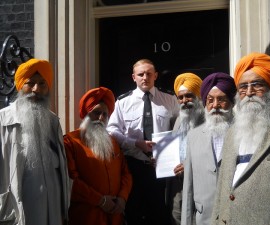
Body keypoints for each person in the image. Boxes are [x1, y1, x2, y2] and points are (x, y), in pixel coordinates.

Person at [212, 52, 270, 225]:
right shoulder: (233, 132)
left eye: (257, 85)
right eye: (243, 87)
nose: (249, 92)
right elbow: (222, 189)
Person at [107, 59, 179, 225]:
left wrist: (171, 156)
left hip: (162, 169)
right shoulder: (123, 102)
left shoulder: (169, 99)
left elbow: (180, 130)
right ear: (134, 77)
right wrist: (135, 143)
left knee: (160, 215)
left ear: (156, 75)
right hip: (133, 167)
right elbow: (112, 131)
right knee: (134, 214)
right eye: (140, 74)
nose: (145, 77)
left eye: (148, 73)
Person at [0, 58, 70, 225]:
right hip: (19, 210)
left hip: (53, 211)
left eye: (42, 84)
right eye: (30, 83)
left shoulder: (53, 122)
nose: (36, 89)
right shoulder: (3, 120)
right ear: (20, 86)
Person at [63, 86, 133, 225]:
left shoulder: (112, 141)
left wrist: (122, 198)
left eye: (105, 114)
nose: (101, 118)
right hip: (86, 216)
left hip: (114, 215)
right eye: (96, 113)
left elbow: (125, 174)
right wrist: (100, 200)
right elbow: (71, 181)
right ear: (86, 114)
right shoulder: (70, 141)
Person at [181, 72, 236, 225]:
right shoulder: (194, 136)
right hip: (204, 219)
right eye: (210, 100)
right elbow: (188, 188)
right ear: (205, 103)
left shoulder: (244, 133)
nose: (215, 105)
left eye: (222, 99)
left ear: (232, 102)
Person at [167, 72, 205, 225]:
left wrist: (189, 166)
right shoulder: (177, 120)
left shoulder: (209, 120)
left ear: (199, 96)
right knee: (177, 218)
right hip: (178, 185)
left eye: (189, 96)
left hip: (200, 184)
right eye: (180, 97)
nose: (184, 101)